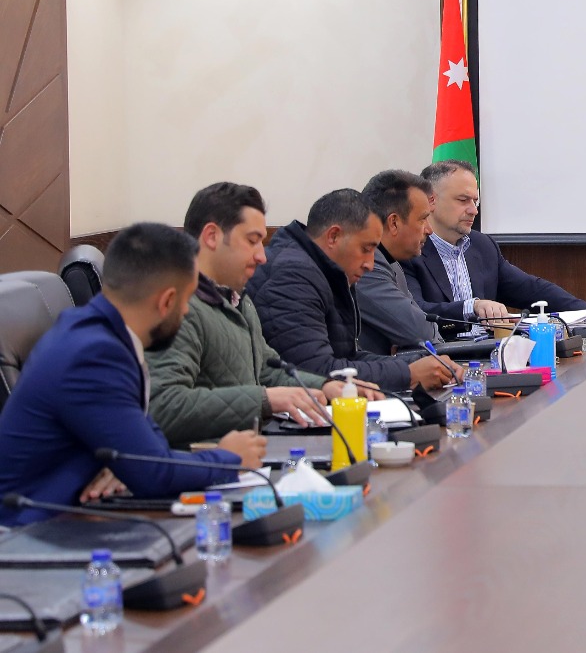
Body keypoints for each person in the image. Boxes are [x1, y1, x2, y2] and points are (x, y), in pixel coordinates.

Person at [0, 223, 266, 526]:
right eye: (186, 301)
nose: (186, 312)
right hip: (28, 534)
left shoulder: (97, 333)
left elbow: (149, 453)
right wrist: (229, 457)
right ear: (166, 301)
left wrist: (121, 465)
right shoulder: (95, 355)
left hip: (70, 519)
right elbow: (155, 472)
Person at [148, 183, 383, 449]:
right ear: (212, 236)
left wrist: (327, 386)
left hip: (248, 453)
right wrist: (265, 400)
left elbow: (267, 371)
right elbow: (162, 406)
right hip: (203, 463)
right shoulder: (179, 308)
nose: (262, 256)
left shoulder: (239, 300)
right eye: (252, 241)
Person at [246, 189, 459, 393]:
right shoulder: (292, 275)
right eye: (366, 249)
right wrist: (407, 374)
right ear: (333, 236)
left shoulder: (326, 271)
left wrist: (419, 364)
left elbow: (346, 357)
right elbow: (315, 372)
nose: (369, 264)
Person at [403, 160, 586, 337]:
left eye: (475, 201)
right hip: (440, 360)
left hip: (488, 356)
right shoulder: (408, 250)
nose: (474, 210)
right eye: (463, 200)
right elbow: (416, 311)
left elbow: (535, 290)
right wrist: (472, 307)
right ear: (431, 201)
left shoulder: (482, 246)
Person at [355, 170, 442, 354]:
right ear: (394, 223)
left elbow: (427, 331)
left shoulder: (392, 263)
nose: (429, 230)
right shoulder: (364, 265)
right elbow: (420, 331)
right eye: (423, 219)